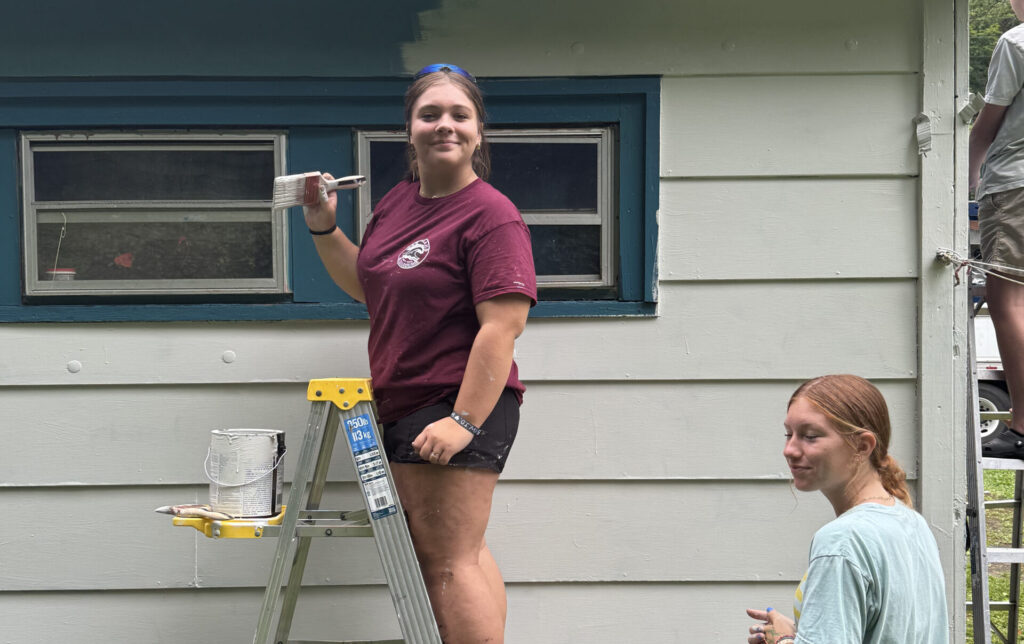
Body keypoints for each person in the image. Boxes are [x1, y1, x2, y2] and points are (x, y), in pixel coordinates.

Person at [302, 63, 536, 643]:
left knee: (446, 563)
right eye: (429, 114)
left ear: (479, 131)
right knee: (463, 553)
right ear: (409, 128)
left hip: (455, 403)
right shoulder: (398, 202)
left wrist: (462, 422)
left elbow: (502, 327)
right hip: (409, 401)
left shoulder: (491, 215)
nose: (444, 125)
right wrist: (325, 229)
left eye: (460, 115)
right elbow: (369, 286)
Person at [745, 375, 948, 644]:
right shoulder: (912, 523)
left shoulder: (842, 542)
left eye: (810, 436)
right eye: (788, 434)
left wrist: (780, 639)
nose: (789, 449)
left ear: (862, 446)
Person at [970, 0, 1024, 458]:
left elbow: (986, 126)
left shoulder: (1016, 42)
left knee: (1006, 300)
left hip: (1015, 185)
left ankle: (1022, 426)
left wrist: (968, 182)